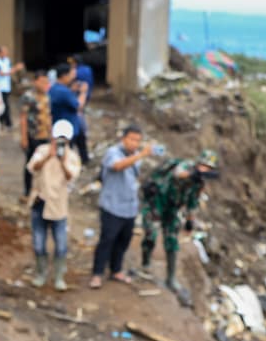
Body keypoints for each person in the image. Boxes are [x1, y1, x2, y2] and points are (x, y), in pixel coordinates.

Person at [141, 150, 219, 291]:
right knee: (150, 234)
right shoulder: (186, 166)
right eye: (204, 166)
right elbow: (178, 174)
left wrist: (190, 222)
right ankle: (145, 263)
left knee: (172, 242)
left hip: (172, 209)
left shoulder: (198, 184)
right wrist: (194, 174)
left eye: (209, 168)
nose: (205, 169)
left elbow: (192, 203)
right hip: (157, 202)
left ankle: (170, 279)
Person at [90, 125, 152, 289]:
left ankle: (116, 270)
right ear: (123, 139)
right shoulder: (113, 153)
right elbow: (117, 166)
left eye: (138, 140)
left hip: (129, 207)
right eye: (132, 139)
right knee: (107, 240)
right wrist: (141, 155)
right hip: (112, 206)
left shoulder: (134, 157)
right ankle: (97, 273)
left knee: (123, 241)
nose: (134, 143)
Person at [27, 119, 81, 290]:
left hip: (59, 206)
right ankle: (41, 273)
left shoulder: (72, 157)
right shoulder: (41, 151)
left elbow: (71, 176)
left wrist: (62, 160)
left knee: (61, 245)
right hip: (40, 202)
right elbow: (32, 167)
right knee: (38, 242)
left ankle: (59, 276)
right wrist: (48, 156)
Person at [18, 69, 51, 199]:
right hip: (32, 135)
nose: (44, 85)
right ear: (35, 82)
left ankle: (41, 190)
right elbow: (23, 118)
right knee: (30, 164)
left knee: (44, 163)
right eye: (42, 82)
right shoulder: (28, 97)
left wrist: (51, 132)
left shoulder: (47, 96)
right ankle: (27, 191)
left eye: (46, 82)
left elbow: (49, 115)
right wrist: (24, 137)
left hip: (45, 135)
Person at [49, 62, 84, 162]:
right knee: (63, 157)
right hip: (66, 129)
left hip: (58, 127)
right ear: (64, 76)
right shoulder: (64, 92)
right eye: (71, 74)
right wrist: (83, 92)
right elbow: (78, 106)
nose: (72, 77)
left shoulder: (55, 88)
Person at [0, 44, 23, 129]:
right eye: (4, 52)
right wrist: (16, 68)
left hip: (6, 87)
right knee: (4, 105)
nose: (6, 53)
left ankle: (3, 122)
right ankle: (7, 123)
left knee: (5, 105)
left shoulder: (7, 60)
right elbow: (2, 73)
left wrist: (15, 69)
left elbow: (10, 70)